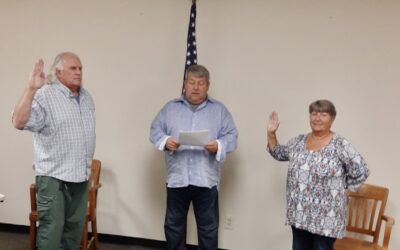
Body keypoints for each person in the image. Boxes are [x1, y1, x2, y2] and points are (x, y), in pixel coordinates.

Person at [12, 52, 96, 249]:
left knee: (73, 232)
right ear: (58, 72)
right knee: (52, 231)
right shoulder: (45, 94)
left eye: (80, 68)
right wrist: (31, 88)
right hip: (54, 178)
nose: (78, 72)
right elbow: (18, 122)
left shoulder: (86, 98)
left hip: (80, 176)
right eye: (73, 68)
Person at [150, 65, 238, 250]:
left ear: (208, 85)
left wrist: (218, 145)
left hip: (206, 180)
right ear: (184, 84)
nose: (195, 87)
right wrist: (166, 141)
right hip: (177, 178)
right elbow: (155, 130)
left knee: (208, 229)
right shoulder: (170, 108)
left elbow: (232, 136)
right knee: (174, 227)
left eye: (200, 83)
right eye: (191, 83)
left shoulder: (219, 110)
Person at [266, 99, 369, 250]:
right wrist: (271, 133)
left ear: (332, 119)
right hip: (299, 213)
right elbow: (278, 153)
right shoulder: (299, 141)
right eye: (314, 113)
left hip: (327, 218)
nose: (317, 118)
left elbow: (361, 170)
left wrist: (344, 188)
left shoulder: (340, 144)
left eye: (323, 114)